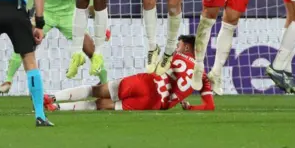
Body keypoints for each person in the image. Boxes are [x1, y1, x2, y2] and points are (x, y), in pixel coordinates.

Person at [0, 0, 109, 94]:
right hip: (46, 14)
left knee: (90, 47)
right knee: (25, 43)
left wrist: (103, 27)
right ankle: (8, 80)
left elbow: (92, 6)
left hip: (69, 17)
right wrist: (23, 13)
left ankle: (105, 82)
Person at [44, 35, 215, 112]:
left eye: (179, 45)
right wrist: (191, 107)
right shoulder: (203, 77)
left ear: (186, 48)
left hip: (146, 82)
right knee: (103, 105)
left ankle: (52, 98)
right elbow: (209, 106)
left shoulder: (176, 56)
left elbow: (155, 69)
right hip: (154, 103)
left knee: (97, 90)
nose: (177, 47)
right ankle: (57, 108)